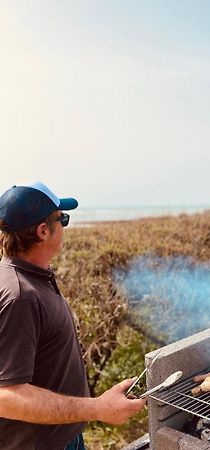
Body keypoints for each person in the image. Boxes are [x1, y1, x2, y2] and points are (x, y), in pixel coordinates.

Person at [0, 182, 146, 450]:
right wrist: (97, 408)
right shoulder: (21, 296)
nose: (65, 225)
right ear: (43, 231)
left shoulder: (32, 275)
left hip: (63, 435)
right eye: (62, 218)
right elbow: (6, 396)